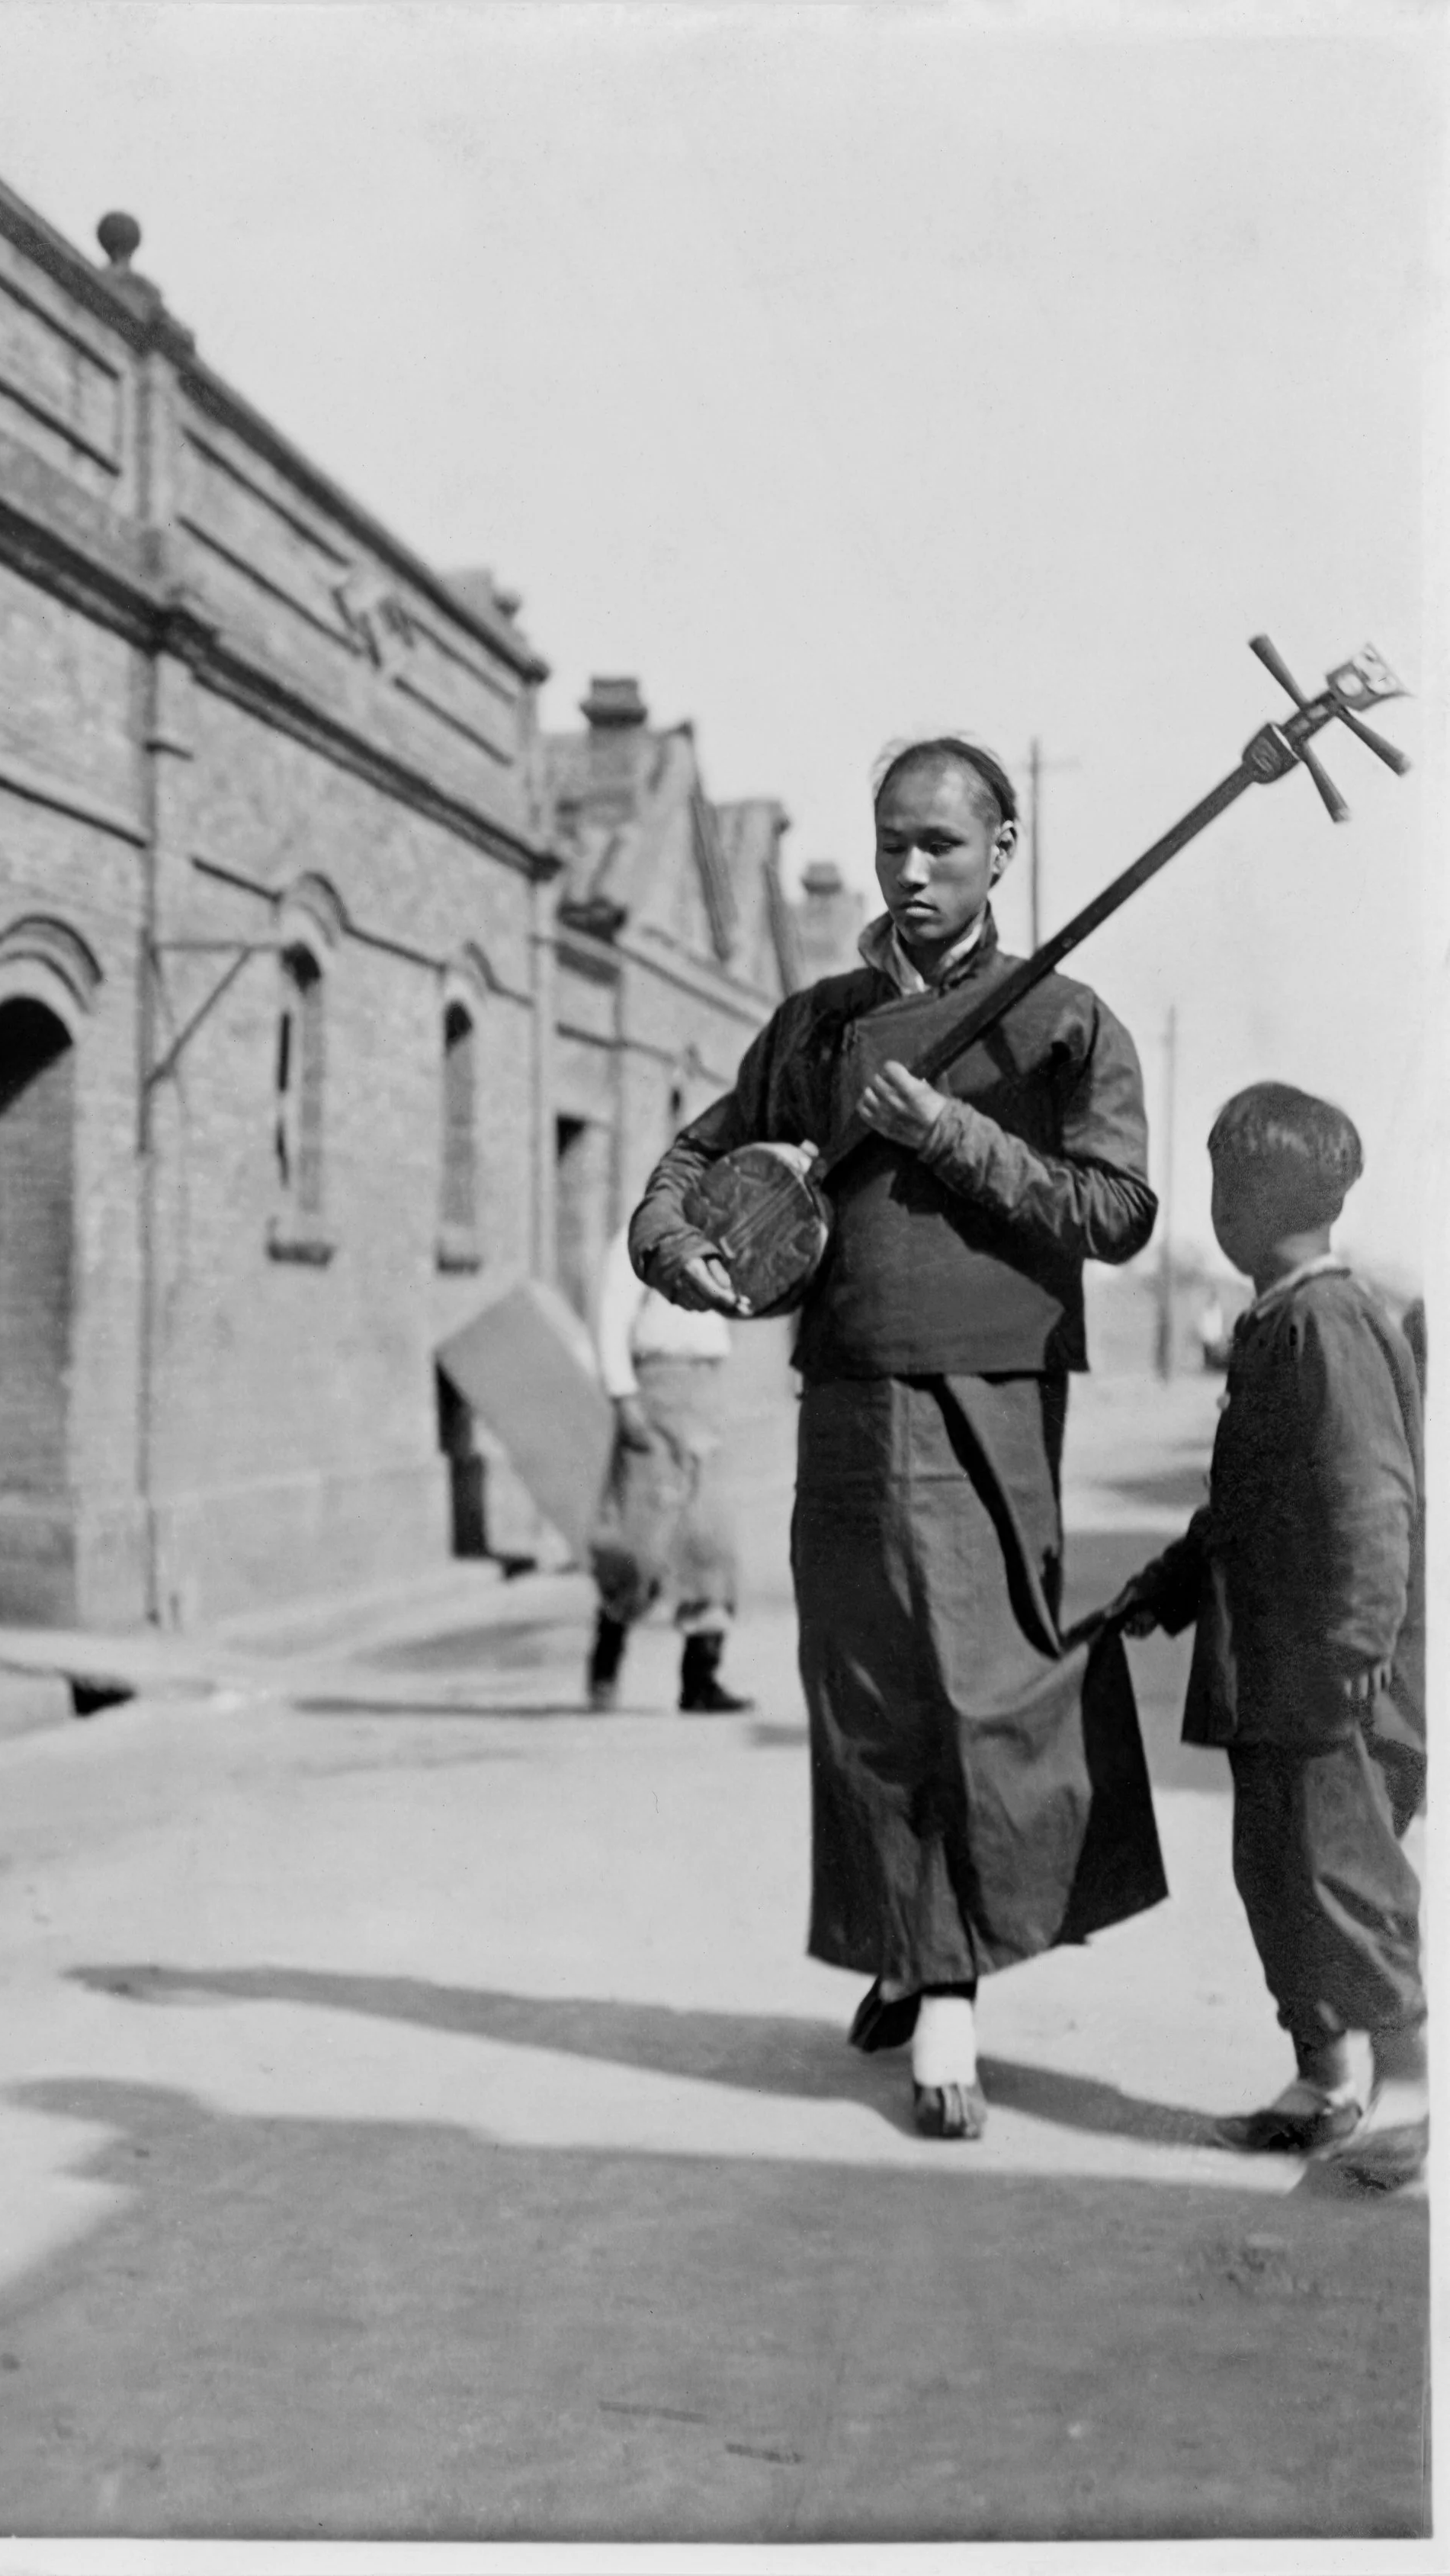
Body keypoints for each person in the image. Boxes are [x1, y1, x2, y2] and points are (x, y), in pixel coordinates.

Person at [629, 736, 1163, 2140]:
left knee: (984, 1684)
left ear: (1003, 849)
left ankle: (950, 1989)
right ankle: (912, 1944)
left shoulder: (1066, 1020)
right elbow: (688, 1161)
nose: (912, 870)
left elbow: (1117, 1213)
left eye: (941, 843)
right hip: (851, 1386)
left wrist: (948, 1136)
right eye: (890, 844)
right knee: (865, 1688)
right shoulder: (814, 1023)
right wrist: (678, 1248)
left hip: (994, 1384)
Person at [1112, 1084, 1426, 2185]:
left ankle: (1412, 2093)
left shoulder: (1327, 1321)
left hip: (1334, 1671)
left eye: (1218, 1184)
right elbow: (1242, 1508)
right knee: (1278, 1872)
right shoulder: (1281, 1319)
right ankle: (1326, 2078)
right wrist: (1172, 1582)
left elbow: (1372, 1497)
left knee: (1348, 1877)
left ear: (1245, 1201)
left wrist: (1356, 1642)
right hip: (1276, 1670)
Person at [585, 1222, 754, 1714]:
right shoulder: (645, 1231)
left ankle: (700, 1680)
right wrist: (622, 1394)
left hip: (706, 1389)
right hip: (655, 1388)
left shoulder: (724, 1233)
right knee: (639, 1542)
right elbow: (612, 1312)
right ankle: (608, 1645)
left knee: (711, 1538)